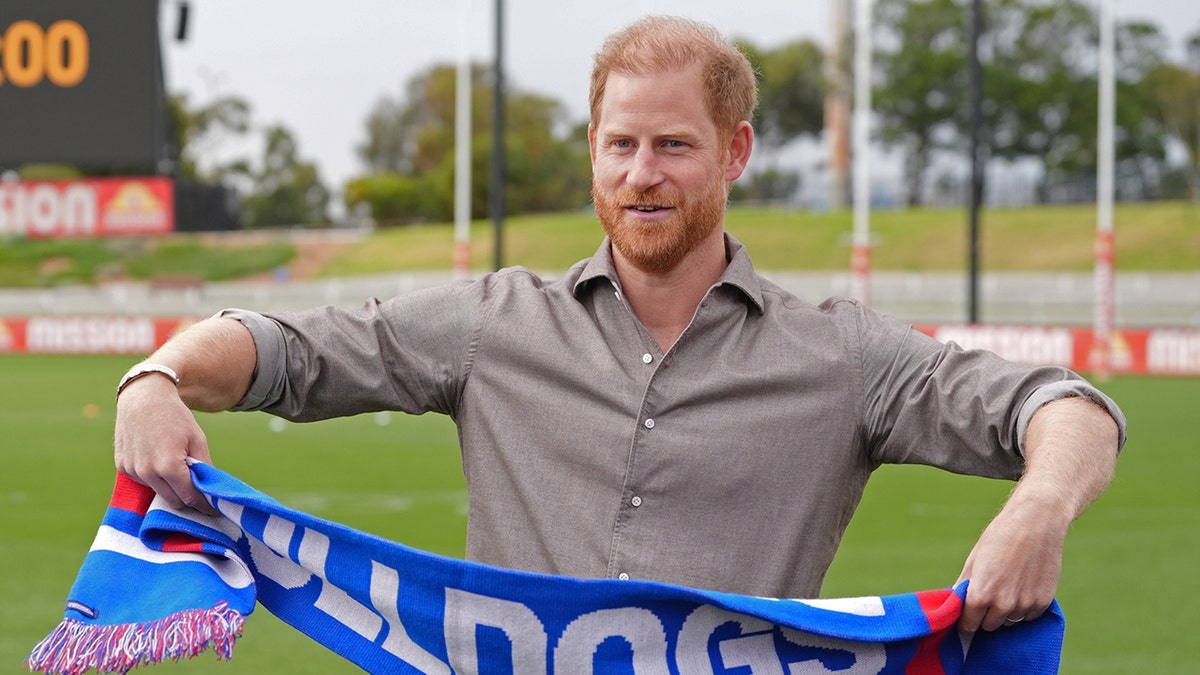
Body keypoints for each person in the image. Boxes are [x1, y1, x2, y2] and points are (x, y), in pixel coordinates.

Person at [114, 15, 1124, 636]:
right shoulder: (492, 325)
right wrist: (157, 377)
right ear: (593, 152)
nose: (642, 175)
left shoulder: (840, 359)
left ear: (735, 152)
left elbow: (1066, 408)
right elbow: (287, 351)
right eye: (620, 144)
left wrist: (1037, 513)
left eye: (673, 146)